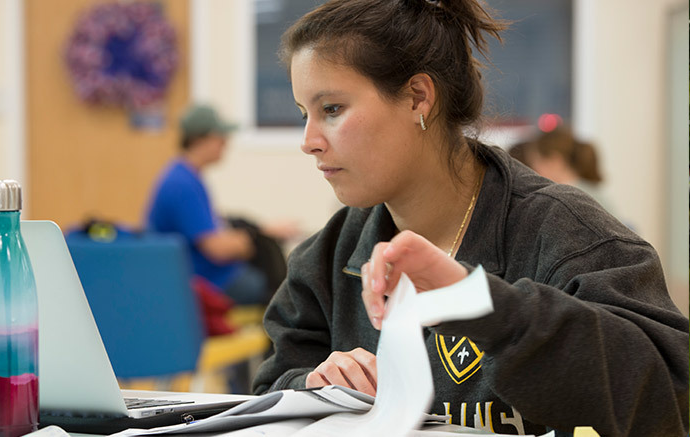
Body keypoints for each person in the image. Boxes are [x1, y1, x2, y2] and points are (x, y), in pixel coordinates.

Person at [251, 1, 689, 436]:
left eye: (331, 109)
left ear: (418, 97)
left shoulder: (570, 235)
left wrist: (479, 304)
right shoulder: (327, 256)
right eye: (303, 113)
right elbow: (272, 386)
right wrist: (311, 386)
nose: (308, 141)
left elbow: (671, 394)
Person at [145, 104, 287, 306]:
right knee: (278, 290)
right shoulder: (181, 184)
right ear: (199, 139)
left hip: (206, 276)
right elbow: (218, 249)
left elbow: (213, 230)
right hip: (205, 282)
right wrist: (252, 242)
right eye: (220, 138)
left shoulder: (186, 176)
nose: (226, 143)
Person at [510, 127, 614, 214]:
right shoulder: (592, 194)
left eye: (536, 162)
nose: (533, 170)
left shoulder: (570, 200)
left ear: (555, 162)